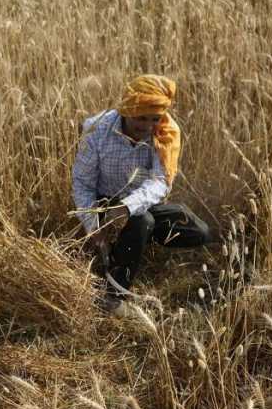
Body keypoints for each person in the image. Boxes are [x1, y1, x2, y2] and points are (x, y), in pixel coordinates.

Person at [72, 74, 212, 310]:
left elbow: (160, 182)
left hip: (141, 202)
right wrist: (94, 228)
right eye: (141, 118)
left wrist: (127, 207)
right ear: (127, 111)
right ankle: (114, 294)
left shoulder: (165, 132)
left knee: (199, 231)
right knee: (142, 221)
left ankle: (132, 242)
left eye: (154, 118)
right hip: (105, 204)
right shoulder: (96, 130)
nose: (147, 126)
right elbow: (82, 184)